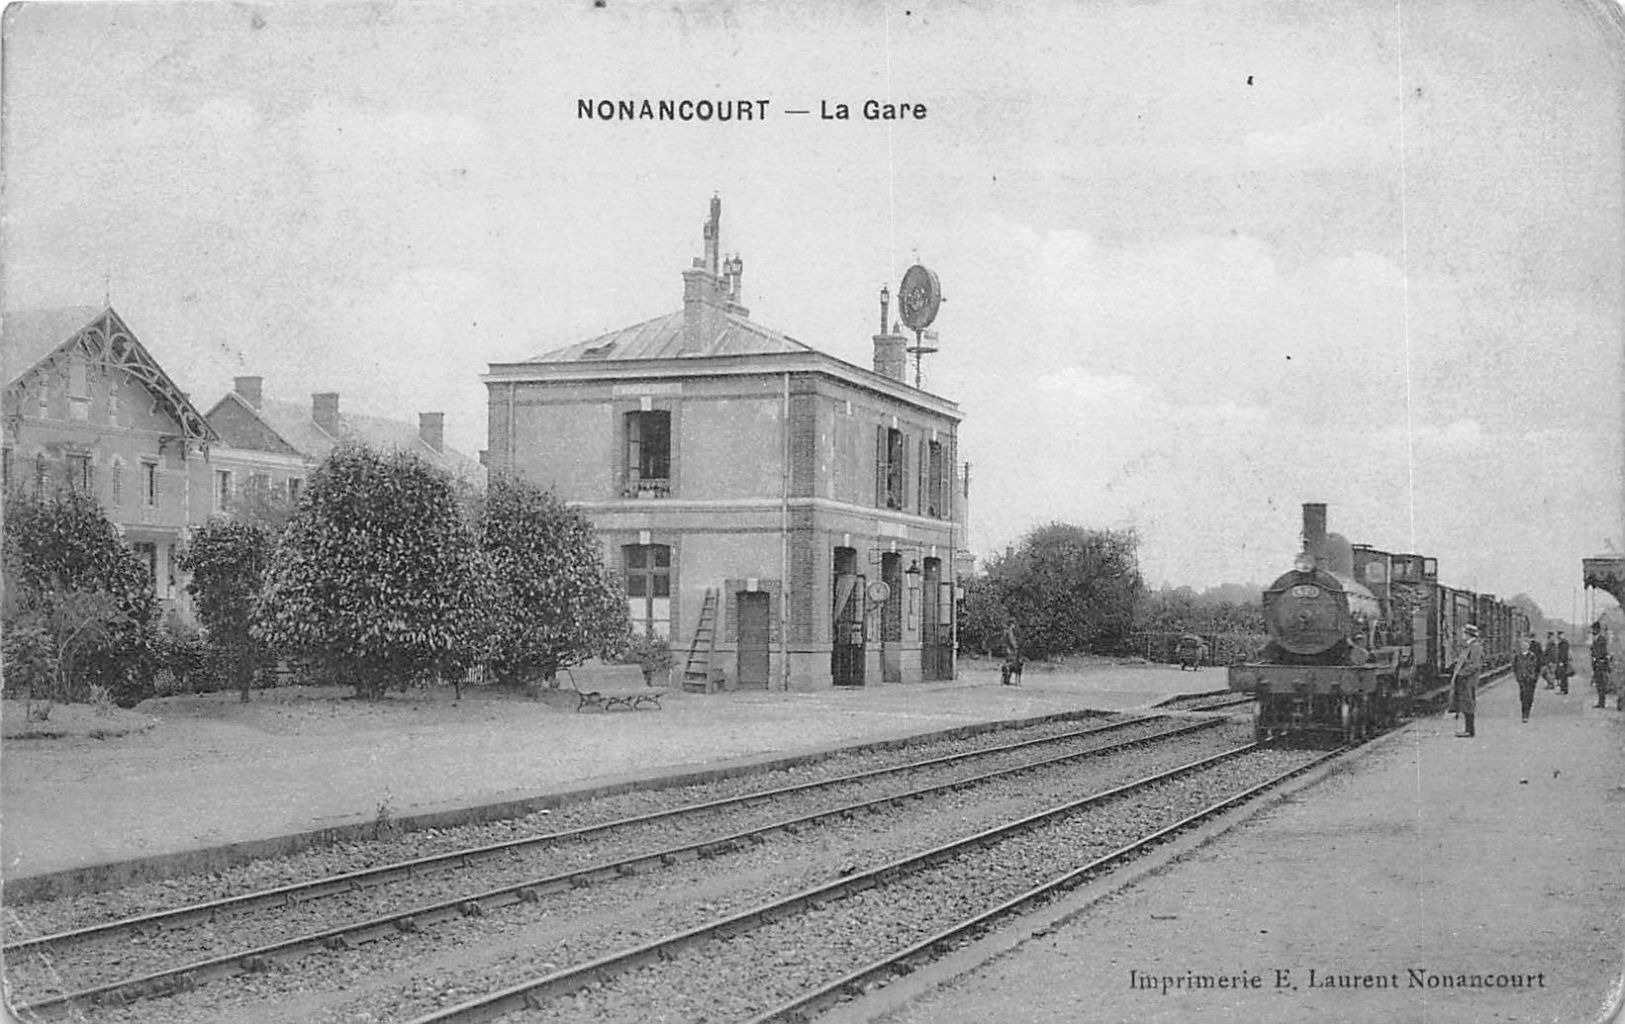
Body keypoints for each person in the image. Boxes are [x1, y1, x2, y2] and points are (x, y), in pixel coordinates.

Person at [1450, 624, 1484, 738]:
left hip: (1468, 679)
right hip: (1466, 679)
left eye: (1464, 633)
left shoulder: (1475, 647)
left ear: (1469, 634)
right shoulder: (1470, 646)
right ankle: (1468, 730)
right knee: (1465, 703)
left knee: (1468, 703)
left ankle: (1469, 731)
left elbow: (1475, 664)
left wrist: (1461, 674)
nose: (1462, 635)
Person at [1512, 636, 1541, 722]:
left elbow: (1535, 667)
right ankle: (1524, 713)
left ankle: (1526, 713)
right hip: (1521, 679)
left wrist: (1534, 677)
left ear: (1528, 647)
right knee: (1523, 696)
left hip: (1530, 679)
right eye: (1522, 646)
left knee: (1529, 696)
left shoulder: (1532, 656)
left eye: (1526, 646)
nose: (1524, 647)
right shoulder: (1517, 656)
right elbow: (1515, 667)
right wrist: (1517, 677)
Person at [1591, 621, 1611, 709]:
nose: (1592, 631)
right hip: (1597, 664)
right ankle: (1600, 702)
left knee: (1601, 684)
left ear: (1597, 630)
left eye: (1594, 629)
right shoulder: (1596, 639)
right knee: (1598, 684)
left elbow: (1602, 652)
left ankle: (1602, 703)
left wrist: (1598, 660)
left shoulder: (1601, 639)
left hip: (1601, 664)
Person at [1000, 618, 1022, 686]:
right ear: (1012, 624)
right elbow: (1012, 641)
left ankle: (1006, 680)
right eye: (1014, 624)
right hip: (1010, 650)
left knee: (1008, 664)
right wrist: (1016, 647)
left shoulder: (1005, 631)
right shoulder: (1010, 632)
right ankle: (1010, 680)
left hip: (1006, 650)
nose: (1015, 626)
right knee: (1012, 664)